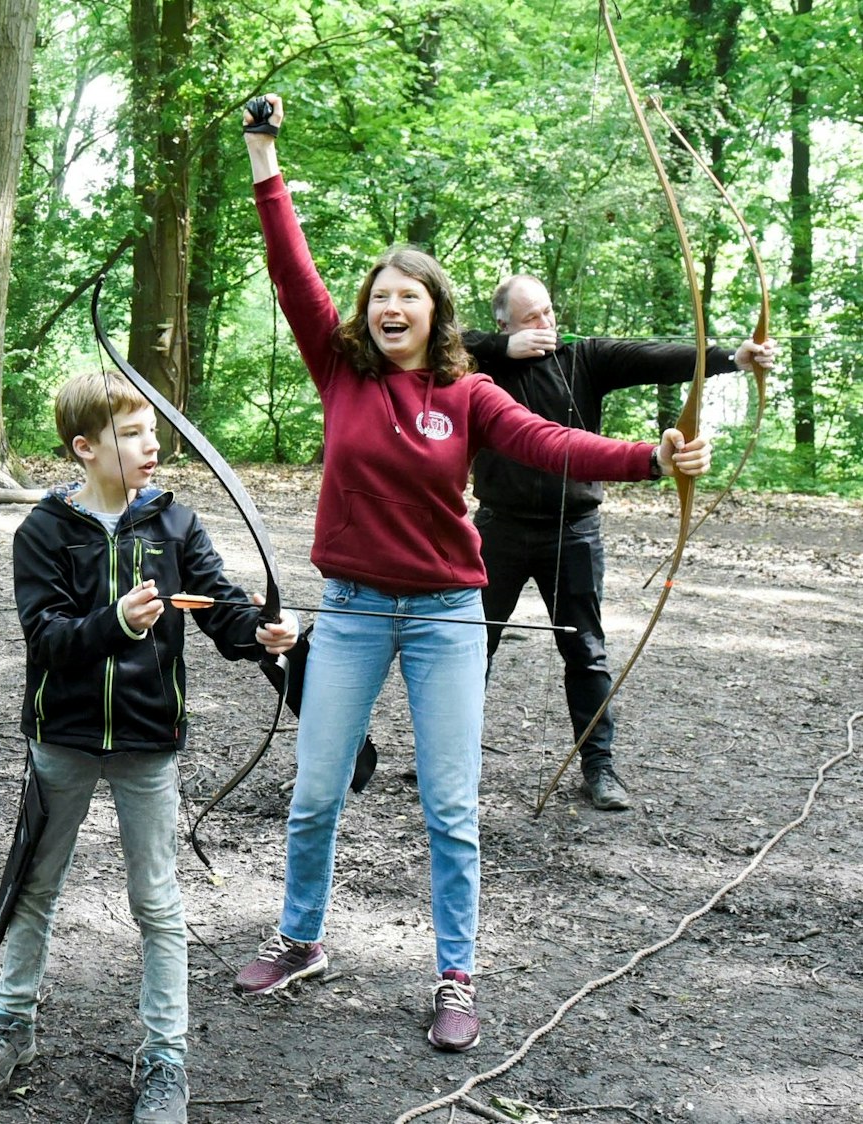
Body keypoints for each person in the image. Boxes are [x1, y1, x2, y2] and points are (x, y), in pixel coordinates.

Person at [228, 94, 712, 1053]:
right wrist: (262, 154)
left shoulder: (470, 392)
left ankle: (456, 974)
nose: (391, 306)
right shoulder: (342, 372)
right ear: (366, 314)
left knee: (451, 806)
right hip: (357, 610)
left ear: (437, 311)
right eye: (379, 296)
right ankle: (300, 938)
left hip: (450, 613)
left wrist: (653, 458)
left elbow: (550, 440)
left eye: (410, 295)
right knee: (316, 789)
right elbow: (292, 270)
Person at [0, 372, 300, 1123]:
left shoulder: (175, 526)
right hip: (64, 740)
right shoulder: (44, 531)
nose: (153, 446)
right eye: (134, 433)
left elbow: (222, 609)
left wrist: (262, 633)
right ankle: (12, 1021)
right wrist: (119, 622)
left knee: (158, 902)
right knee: (35, 888)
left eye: (153, 430)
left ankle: (166, 1058)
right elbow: (46, 640)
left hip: (148, 741)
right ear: (85, 449)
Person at [464, 276, 774, 811]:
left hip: (574, 530)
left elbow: (655, 357)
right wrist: (498, 350)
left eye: (549, 312)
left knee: (585, 651)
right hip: (500, 528)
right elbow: (432, 339)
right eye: (531, 318)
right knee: (471, 649)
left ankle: (598, 768)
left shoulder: (586, 359)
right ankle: (453, 760)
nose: (547, 324)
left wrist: (733, 357)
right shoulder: (480, 367)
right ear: (504, 323)